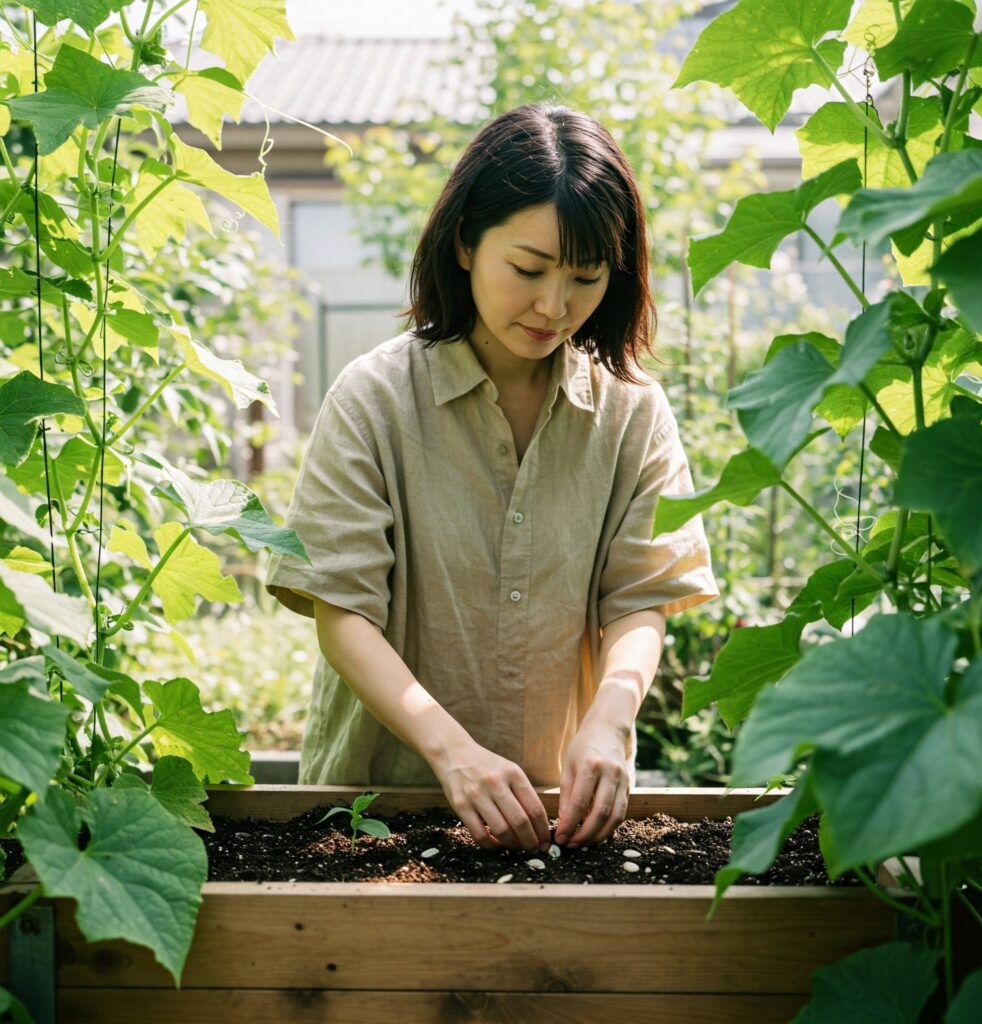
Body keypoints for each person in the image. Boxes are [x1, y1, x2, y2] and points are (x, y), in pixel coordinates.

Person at [264, 102, 718, 856]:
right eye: (528, 270)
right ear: (466, 243)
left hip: (560, 813)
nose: (554, 306)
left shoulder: (632, 413)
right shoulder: (375, 398)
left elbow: (642, 596)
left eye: (585, 278)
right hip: (378, 809)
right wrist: (452, 753)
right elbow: (340, 609)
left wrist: (611, 718)